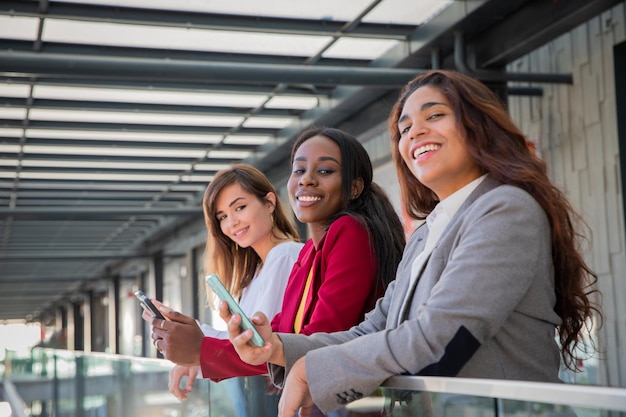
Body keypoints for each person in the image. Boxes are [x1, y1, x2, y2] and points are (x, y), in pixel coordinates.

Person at [223, 70, 602, 417]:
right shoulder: (426, 232)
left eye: (434, 116)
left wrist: (316, 371)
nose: (415, 133)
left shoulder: (505, 208)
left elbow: (444, 336)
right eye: (405, 128)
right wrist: (279, 347)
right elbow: (370, 330)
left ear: (477, 126)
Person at [149, 127, 406, 416]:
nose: (306, 179)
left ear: (355, 187)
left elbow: (318, 338)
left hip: (345, 404)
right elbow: (283, 333)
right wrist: (201, 343)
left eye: (324, 170)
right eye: (299, 171)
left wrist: (203, 350)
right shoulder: (310, 250)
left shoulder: (349, 232)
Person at [144, 163, 303, 406]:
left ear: (269, 203)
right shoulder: (258, 270)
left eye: (239, 207)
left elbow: (259, 347)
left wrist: (197, 347)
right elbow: (245, 346)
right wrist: (193, 347)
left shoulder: (284, 255)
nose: (232, 223)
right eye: (222, 217)